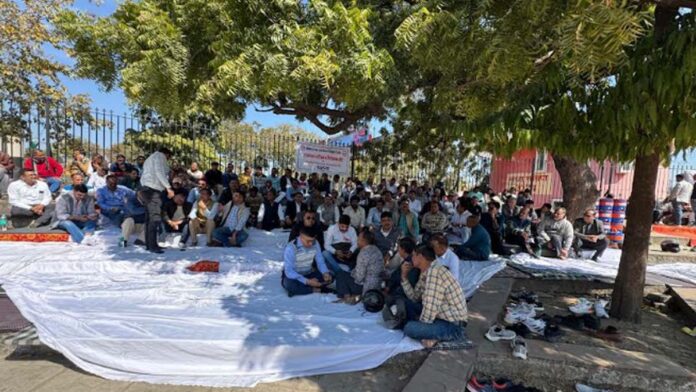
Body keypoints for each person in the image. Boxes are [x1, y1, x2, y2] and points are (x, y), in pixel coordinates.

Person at [400, 245, 468, 348]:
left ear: (421, 257)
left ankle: (444, 335)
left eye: (413, 255)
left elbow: (430, 308)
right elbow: (414, 297)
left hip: (452, 324)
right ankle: (430, 333)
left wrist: (422, 328)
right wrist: (404, 277)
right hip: (439, 316)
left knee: (409, 328)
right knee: (405, 303)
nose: (411, 259)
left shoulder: (434, 272)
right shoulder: (426, 272)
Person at [140, 147, 175, 254]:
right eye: (168, 157)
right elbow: (159, 172)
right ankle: (153, 246)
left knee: (149, 219)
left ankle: (149, 245)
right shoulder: (160, 156)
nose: (167, 160)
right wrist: (168, 187)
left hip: (145, 189)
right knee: (154, 218)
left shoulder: (149, 159)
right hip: (153, 190)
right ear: (166, 154)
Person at [335, 229, 385, 303]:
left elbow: (359, 278)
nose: (357, 241)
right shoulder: (377, 250)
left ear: (363, 240)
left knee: (340, 274)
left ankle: (347, 297)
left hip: (366, 288)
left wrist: (352, 273)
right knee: (349, 272)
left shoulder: (364, 252)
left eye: (358, 238)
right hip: (377, 287)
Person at [282, 228, 333, 297]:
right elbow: (289, 271)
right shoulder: (291, 247)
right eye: (308, 241)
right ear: (300, 237)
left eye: (313, 240)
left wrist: (325, 273)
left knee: (330, 275)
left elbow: (320, 261)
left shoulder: (316, 243)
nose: (311, 243)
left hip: (309, 273)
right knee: (290, 285)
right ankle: (315, 289)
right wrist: (308, 281)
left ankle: (304, 289)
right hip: (295, 276)